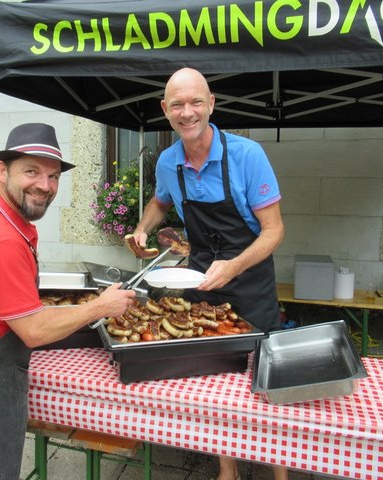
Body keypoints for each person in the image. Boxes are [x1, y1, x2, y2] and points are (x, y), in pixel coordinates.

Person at [0, 123, 135, 480]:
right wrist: (99, 306)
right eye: (31, 171)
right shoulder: (3, 241)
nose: (44, 185)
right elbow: (33, 331)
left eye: (53, 176)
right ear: (2, 170)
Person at [130, 68, 288, 480]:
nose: (187, 112)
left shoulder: (247, 156)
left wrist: (235, 265)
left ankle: (280, 471)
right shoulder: (168, 162)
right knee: (212, 375)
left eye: (196, 102)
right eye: (177, 104)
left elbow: (275, 231)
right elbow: (160, 202)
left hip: (250, 276)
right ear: (165, 110)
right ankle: (227, 467)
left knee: (266, 377)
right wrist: (143, 228)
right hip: (200, 280)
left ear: (211, 104)